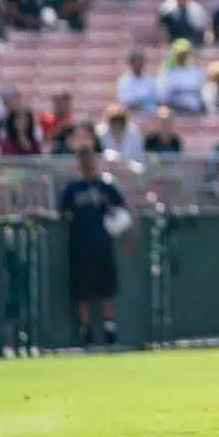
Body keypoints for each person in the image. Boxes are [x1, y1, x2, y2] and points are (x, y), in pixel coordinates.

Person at [57, 147, 133, 347]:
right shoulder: (72, 188)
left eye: (90, 159)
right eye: (83, 160)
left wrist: (128, 236)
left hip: (103, 245)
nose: (87, 164)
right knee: (82, 292)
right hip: (80, 246)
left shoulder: (106, 186)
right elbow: (61, 212)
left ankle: (110, 329)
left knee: (107, 290)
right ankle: (86, 329)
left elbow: (123, 210)